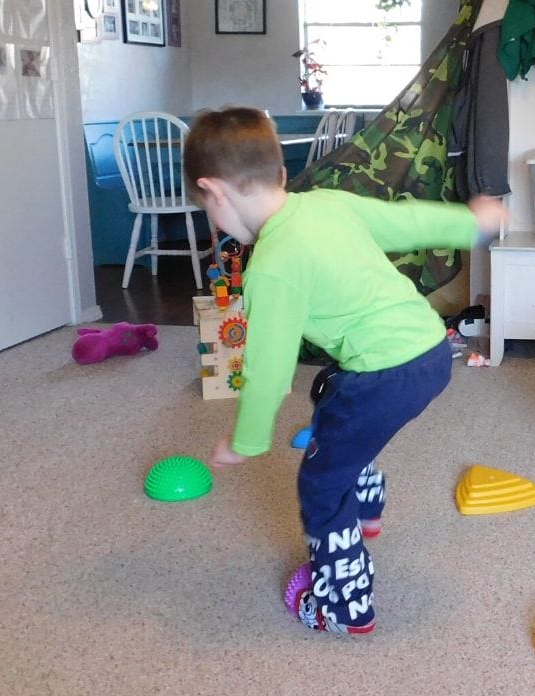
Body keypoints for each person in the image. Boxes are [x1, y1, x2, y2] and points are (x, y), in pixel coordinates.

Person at [183, 107, 506, 635]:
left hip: (383, 376)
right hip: (430, 351)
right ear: (280, 173)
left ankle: (344, 606)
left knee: (320, 482)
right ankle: (368, 504)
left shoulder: (271, 267)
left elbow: (268, 372)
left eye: (208, 211)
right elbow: (406, 223)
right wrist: (470, 222)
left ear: (213, 192)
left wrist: (246, 441)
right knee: (331, 398)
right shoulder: (327, 203)